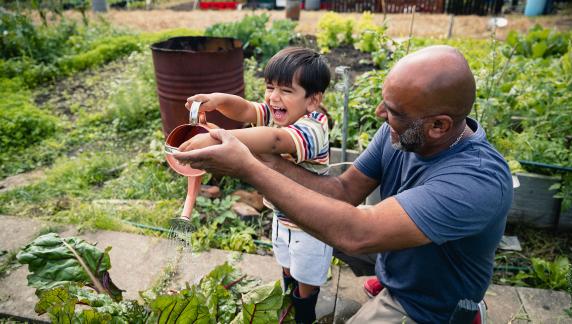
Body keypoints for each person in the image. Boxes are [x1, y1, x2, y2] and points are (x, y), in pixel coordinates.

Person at [174, 45, 513, 323]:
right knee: (316, 227)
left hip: (427, 304)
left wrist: (247, 165)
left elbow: (356, 233)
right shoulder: (401, 133)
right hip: (396, 252)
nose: (380, 114)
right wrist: (264, 161)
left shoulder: (477, 180)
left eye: (393, 111)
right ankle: (386, 275)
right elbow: (343, 193)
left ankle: (463, 315)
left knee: (338, 231)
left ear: (438, 126)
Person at [179, 47, 332, 324]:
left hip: (312, 224)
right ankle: (289, 305)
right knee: (287, 266)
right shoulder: (279, 113)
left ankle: (305, 315)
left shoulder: (313, 128)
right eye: (270, 87)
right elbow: (247, 109)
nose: (274, 97)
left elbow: (275, 140)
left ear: (313, 100)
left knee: (306, 276)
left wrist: (218, 138)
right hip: (281, 215)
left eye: (286, 90)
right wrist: (218, 100)